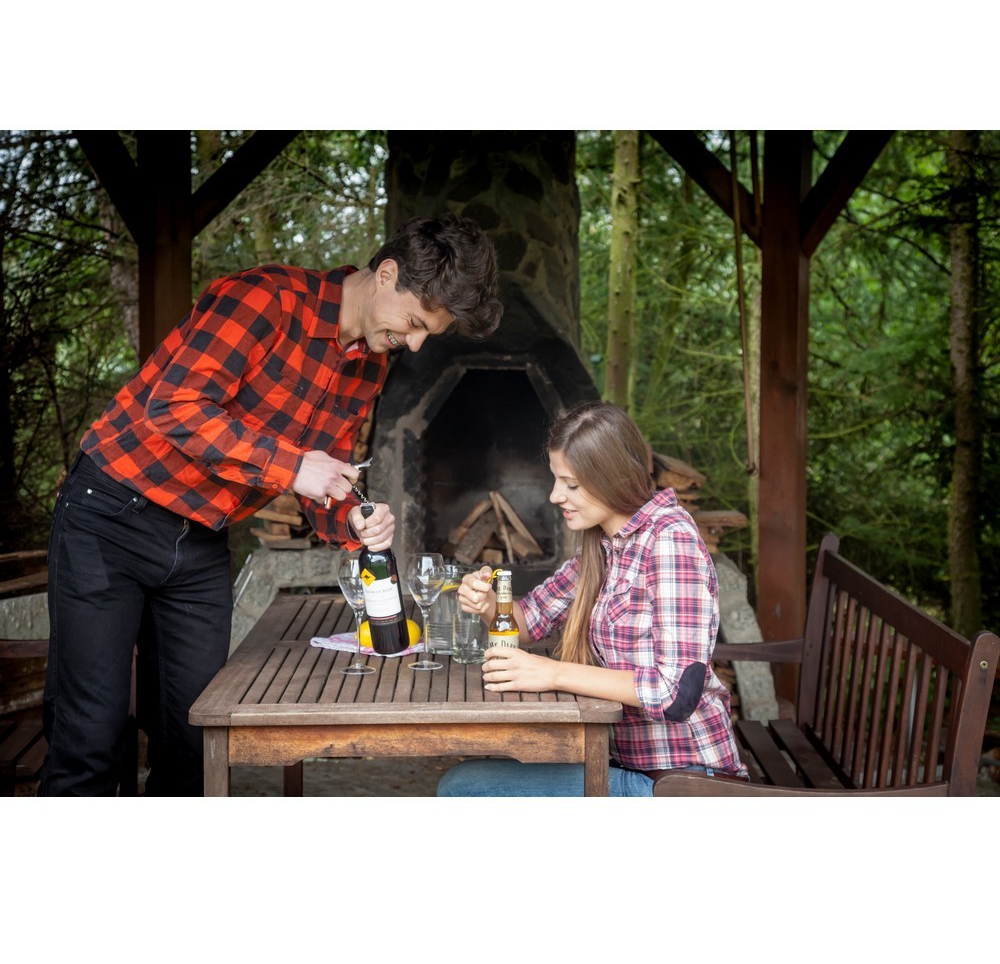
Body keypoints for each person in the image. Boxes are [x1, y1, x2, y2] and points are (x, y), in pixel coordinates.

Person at [40, 212, 502, 797]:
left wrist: (351, 516)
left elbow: (325, 472)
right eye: (413, 323)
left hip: (200, 539)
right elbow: (175, 406)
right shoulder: (265, 299)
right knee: (90, 740)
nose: (414, 344)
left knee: (195, 739)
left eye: (427, 335)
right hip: (110, 515)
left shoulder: (369, 363)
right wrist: (293, 467)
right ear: (386, 274)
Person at [437, 401, 747, 797]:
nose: (554, 496)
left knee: (463, 788)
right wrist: (487, 605)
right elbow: (529, 619)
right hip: (622, 759)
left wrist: (552, 673)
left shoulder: (669, 540)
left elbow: (676, 694)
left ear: (610, 477)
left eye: (570, 484)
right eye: (556, 480)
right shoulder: (604, 546)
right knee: (475, 775)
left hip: (679, 780)